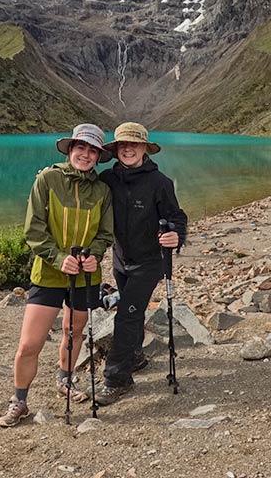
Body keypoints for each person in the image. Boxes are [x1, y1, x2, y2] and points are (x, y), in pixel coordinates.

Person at [0, 123, 114, 428]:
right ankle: (19, 401)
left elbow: (105, 233)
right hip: (48, 274)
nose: (85, 155)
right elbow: (33, 229)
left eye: (92, 150)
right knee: (29, 344)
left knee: (73, 333)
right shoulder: (47, 179)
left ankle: (65, 379)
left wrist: (95, 255)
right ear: (70, 149)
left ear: (98, 156)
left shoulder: (102, 190)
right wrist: (59, 258)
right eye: (81, 148)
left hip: (86, 276)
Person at [95, 122, 187, 406]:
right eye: (123, 144)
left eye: (134, 144)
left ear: (145, 148)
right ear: (116, 149)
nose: (128, 149)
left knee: (126, 314)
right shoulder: (107, 179)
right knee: (131, 313)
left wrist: (176, 236)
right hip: (121, 260)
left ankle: (117, 379)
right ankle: (134, 356)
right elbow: (84, 191)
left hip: (149, 263)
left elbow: (176, 218)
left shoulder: (160, 183)